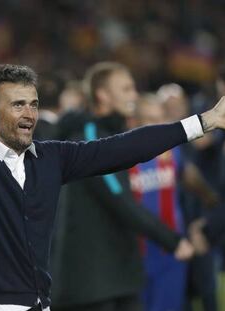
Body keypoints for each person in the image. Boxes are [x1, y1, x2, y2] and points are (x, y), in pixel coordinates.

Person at [0, 44, 225, 311]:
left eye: (33, 104)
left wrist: (204, 121)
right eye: (18, 104)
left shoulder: (52, 157)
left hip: (39, 303)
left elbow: (124, 148)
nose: (29, 113)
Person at [50, 62, 192, 311]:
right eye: (126, 89)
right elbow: (119, 199)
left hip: (116, 277)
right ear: (103, 95)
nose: (134, 95)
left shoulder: (108, 133)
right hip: (92, 285)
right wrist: (172, 240)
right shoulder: (90, 138)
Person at [129, 94, 218, 311]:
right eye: (151, 119)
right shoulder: (121, 157)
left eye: (161, 118)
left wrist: (211, 207)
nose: (158, 125)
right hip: (134, 255)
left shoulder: (171, 151)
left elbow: (192, 179)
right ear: (133, 123)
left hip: (171, 254)